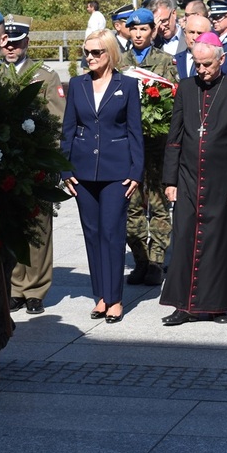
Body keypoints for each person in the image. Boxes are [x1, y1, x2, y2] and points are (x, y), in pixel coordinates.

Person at [160, 33, 227, 326]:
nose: (201, 71)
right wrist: (170, 180)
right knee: (186, 239)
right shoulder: (186, 88)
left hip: (222, 181)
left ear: (221, 60)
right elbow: (174, 139)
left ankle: (217, 305)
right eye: (198, 65)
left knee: (218, 242)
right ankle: (183, 305)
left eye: (207, 65)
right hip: (188, 178)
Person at [62, 30, 144, 324]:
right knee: (92, 234)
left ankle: (115, 298)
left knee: (111, 233)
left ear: (110, 53)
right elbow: (68, 130)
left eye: (97, 52)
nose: (90, 57)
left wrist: (136, 170)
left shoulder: (128, 85)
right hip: (83, 172)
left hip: (116, 171)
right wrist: (65, 169)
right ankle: (100, 295)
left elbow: (135, 130)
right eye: (87, 51)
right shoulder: (77, 84)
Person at [0, 15, 68, 315]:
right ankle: (15, 287)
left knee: (39, 226)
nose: (12, 48)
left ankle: (36, 289)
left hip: (35, 162)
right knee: (10, 225)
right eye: (8, 43)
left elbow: (57, 120)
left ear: (27, 42)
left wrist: (51, 161)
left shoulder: (45, 75)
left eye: (17, 43)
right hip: (4, 164)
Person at [118, 8, 178, 286]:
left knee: (158, 204)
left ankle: (156, 261)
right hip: (128, 147)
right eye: (135, 29)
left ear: (153, 31)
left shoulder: (165, 61)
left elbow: (174, 99)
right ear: (127, 31)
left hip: (156, 146)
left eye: (144, 29)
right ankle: (140, 258)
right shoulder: (119, 62)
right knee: (130, 206)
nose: (139, 34)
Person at [174, 14, 212, 80]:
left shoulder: (218, 62)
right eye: (191, 32)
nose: (195, 37)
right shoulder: (174, 60)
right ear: (185, 34)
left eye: (200, 33)